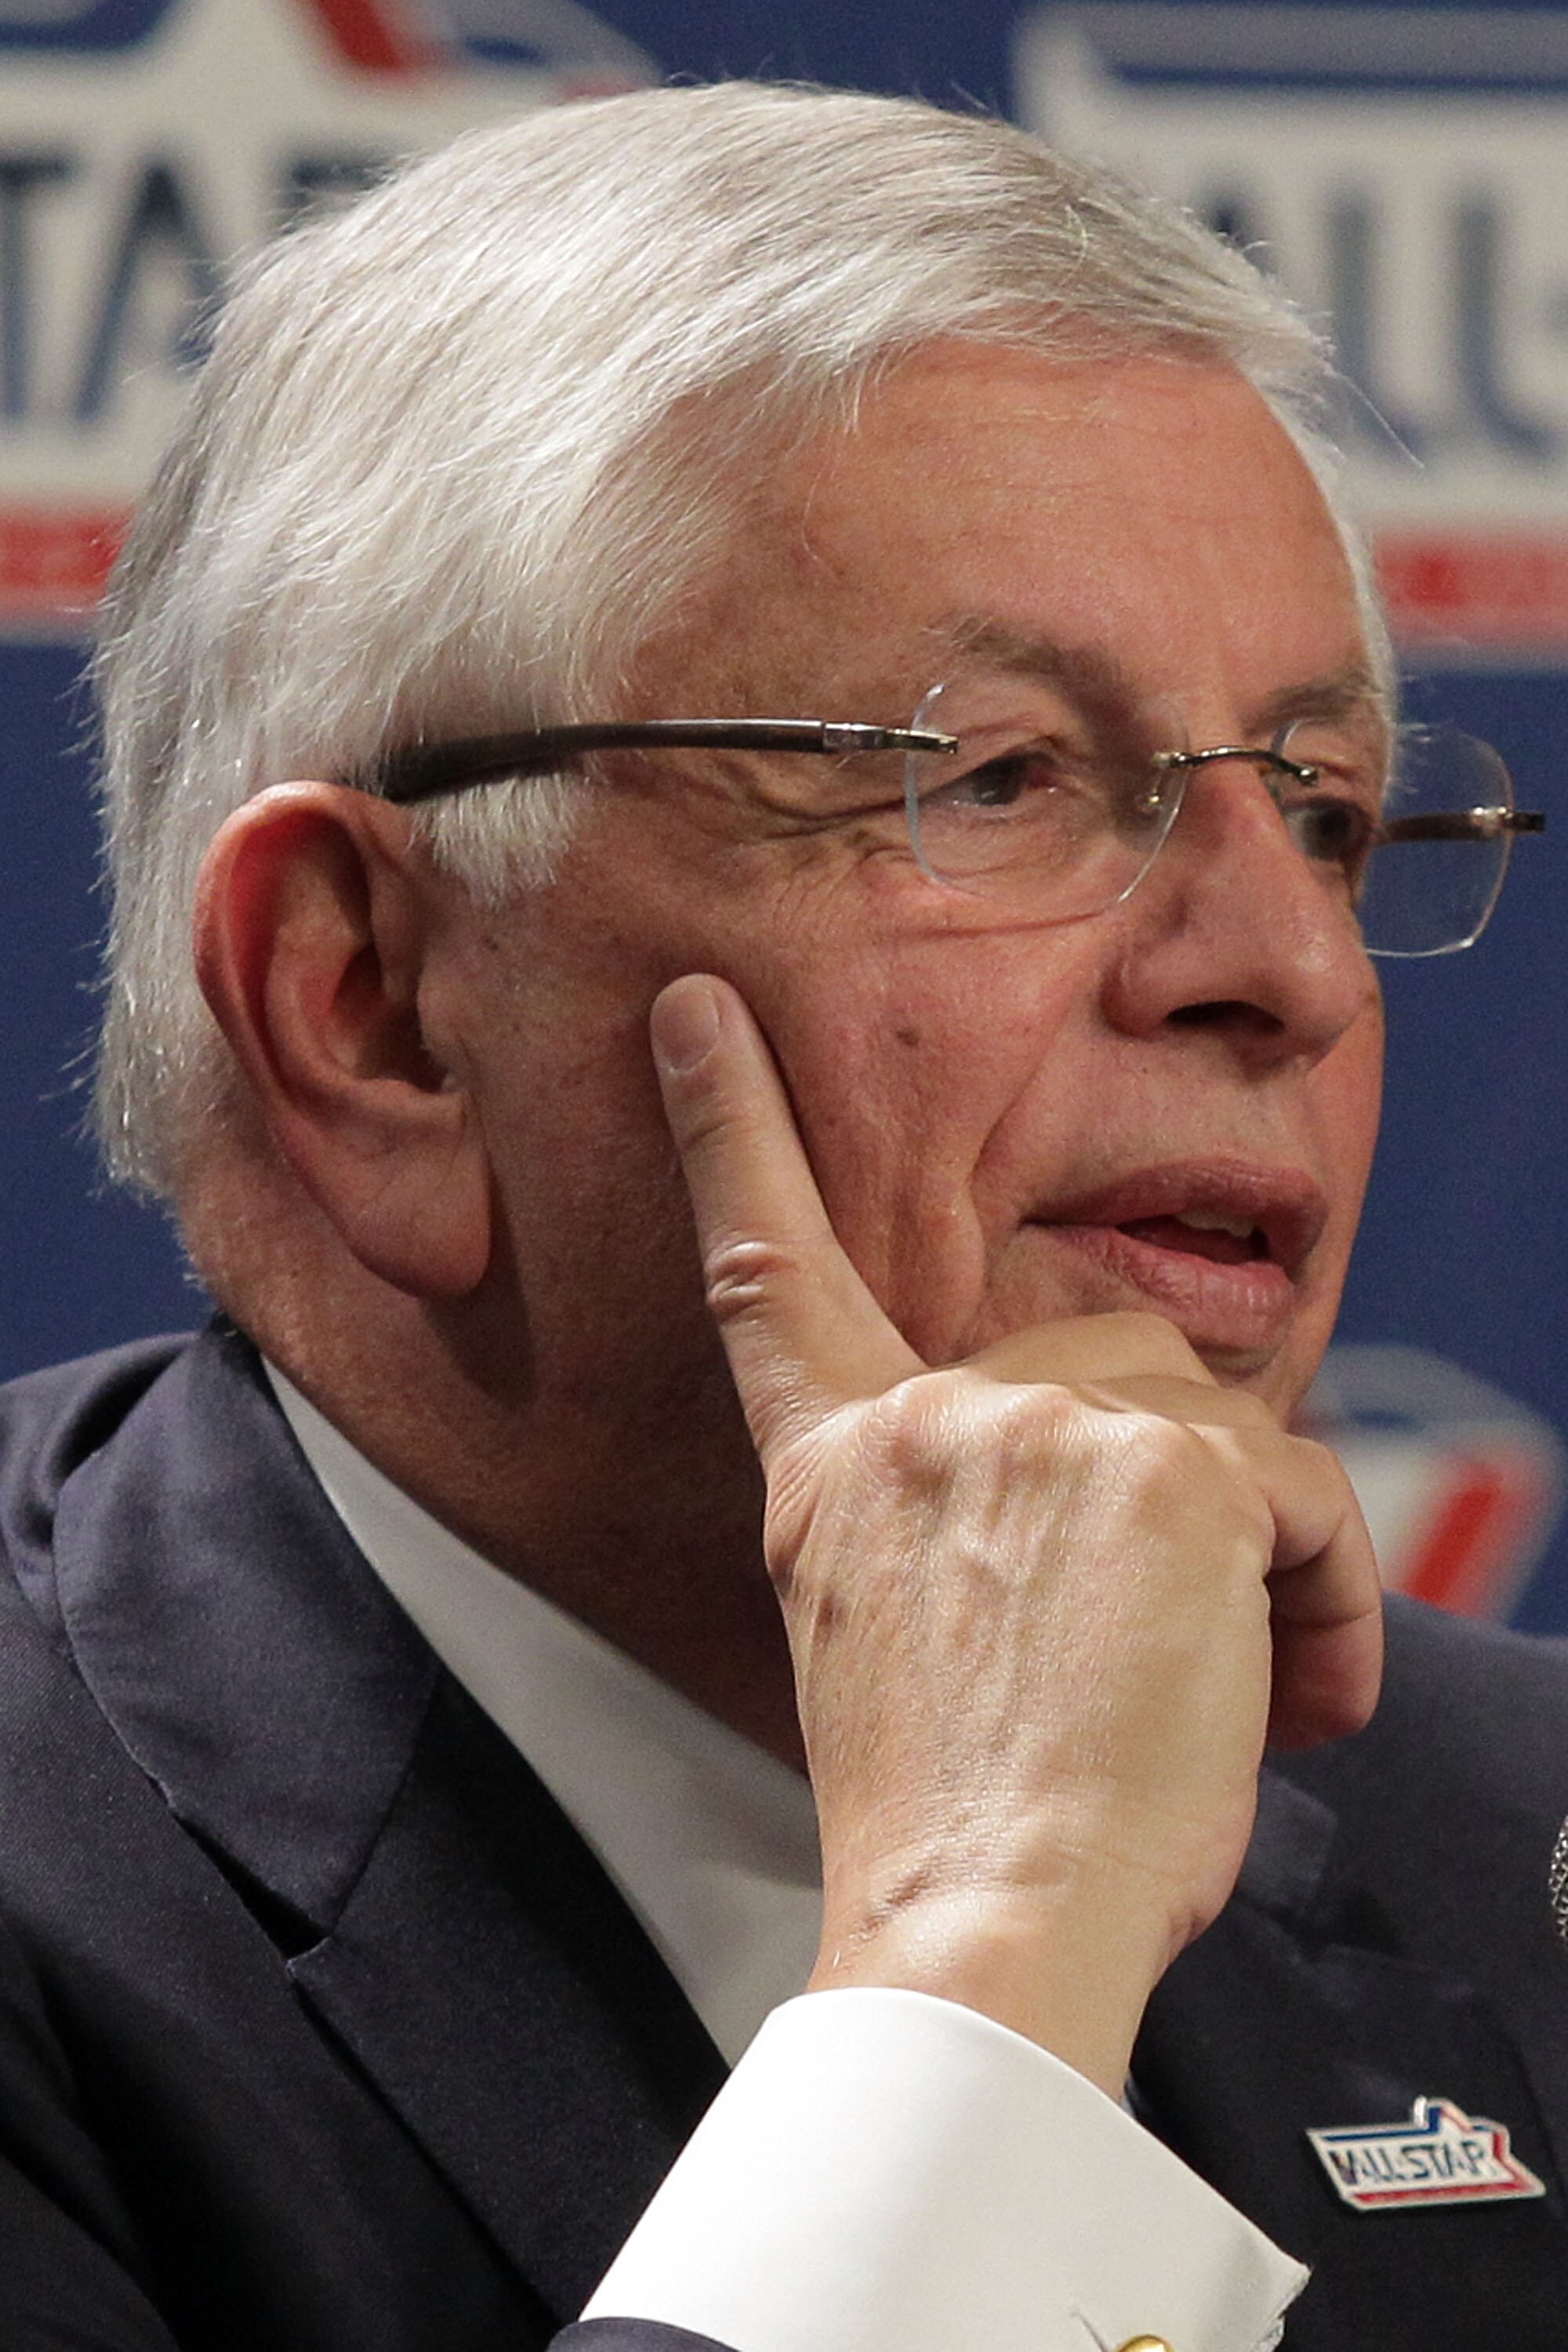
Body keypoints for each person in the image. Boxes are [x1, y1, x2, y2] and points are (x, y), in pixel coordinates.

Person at [2, 78, 1563, 2352]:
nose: (1291, 973)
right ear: (374, 1013)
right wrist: (990, 1954)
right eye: (1006, 778)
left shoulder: (1514, 1840)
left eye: (1322, 811)